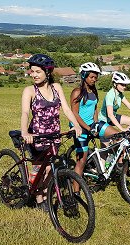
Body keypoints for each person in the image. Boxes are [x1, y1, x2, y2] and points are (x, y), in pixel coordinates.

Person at [21, 54, 82, 212]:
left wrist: (76, 125)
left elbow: (67, 109)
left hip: (54, 135)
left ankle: (46, 192)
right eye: (32, 71)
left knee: (49, 168)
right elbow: (25, 113)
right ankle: (38, 197)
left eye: (37, 72)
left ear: (47, 72)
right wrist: (24, 132)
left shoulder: (57, 88)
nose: (33, 75)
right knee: (38, 168)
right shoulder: (30, 91)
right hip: (37, 136)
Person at [70, 62, 118, 183]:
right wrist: (88, 128)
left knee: (119, 137)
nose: (94, 80)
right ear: (84, 76)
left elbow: (95, 109)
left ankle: (108, 164)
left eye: (96, 78)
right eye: (91, 77)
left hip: (91, 124)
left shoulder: (93, 91)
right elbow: (75, 113)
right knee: (81, 161)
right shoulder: (77, 92)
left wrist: (96, 124)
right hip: (79, 128)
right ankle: (75, 193)